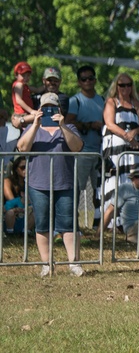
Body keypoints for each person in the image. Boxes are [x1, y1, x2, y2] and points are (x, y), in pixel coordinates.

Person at [18, 92, 86, 277]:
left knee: (69, 224)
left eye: (52, 108)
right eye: (45, 108)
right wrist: (34, 125)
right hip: (38, 184)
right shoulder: (32, 127)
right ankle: (46, 264)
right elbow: (22, 147)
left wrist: (62, 125)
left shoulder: (69, 126)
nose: (49, 111)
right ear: (39, 109)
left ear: (59, 109)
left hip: (65, 182)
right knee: (42, 224)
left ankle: (74, 263)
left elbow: (77, 147)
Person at [101, 73, 139, 225]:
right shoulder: (111, 102)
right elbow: (110, 124)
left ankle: (128, 218)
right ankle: (111, 222)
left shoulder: (136, 103)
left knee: (131, 180)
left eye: (129, 85)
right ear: (116, 86)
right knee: (115, 180)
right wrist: (128, 137)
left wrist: (134, 133)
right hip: (116, 149)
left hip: (133, 150)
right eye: (122, 85)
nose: (125, 88)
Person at [64, 65, 105, 229]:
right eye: (84, 79)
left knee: (100, 190)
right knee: (77, 189)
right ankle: (72, 223)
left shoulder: (102, 99)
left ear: (95, 80)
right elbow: (68, 122)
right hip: (81, 152)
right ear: (79, 82)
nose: (87, 81)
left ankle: (97, 222)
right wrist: (88, 125)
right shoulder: (75, 100)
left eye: (90, 78)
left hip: (99, 151)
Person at [3, 155, 31, 237]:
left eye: (28, 167)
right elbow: (11, 201)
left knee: (35, 213)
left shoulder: (33, 182)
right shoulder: (7, 181)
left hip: (27, 211)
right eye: (23, 167)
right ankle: (10, 233)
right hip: (11, 211)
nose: (26, 170)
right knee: (11, 212)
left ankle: (26, 233)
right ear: (16, 169)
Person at [10, 61, 37, 129]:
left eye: (27, 75)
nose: (26, 78)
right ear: (16, 75)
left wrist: (46, 85)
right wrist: (31, 111)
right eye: (23, 75)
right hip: (21, 115)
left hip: (24, 114)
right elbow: (18, 100)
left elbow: (37, 90)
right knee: (38, 116)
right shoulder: (19, 85)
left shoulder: (25, 86)